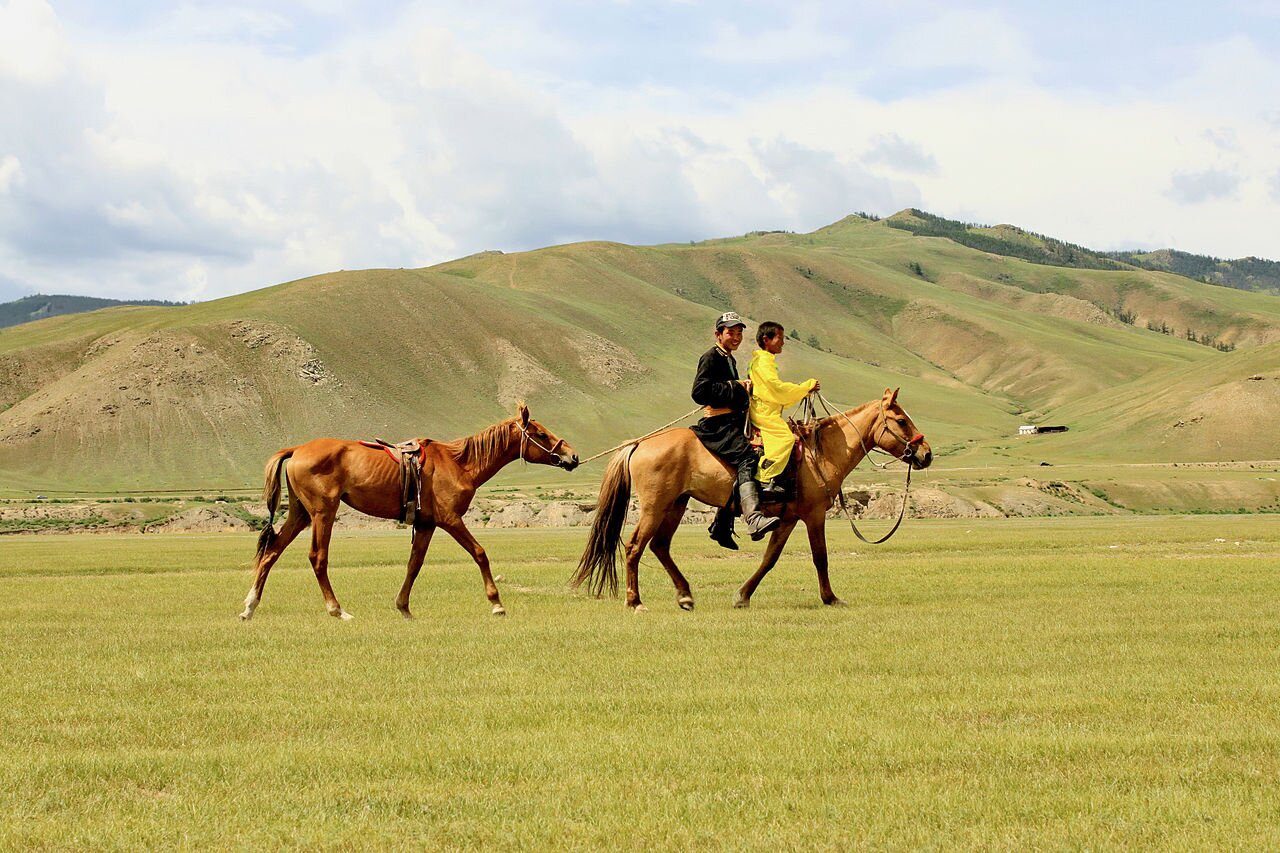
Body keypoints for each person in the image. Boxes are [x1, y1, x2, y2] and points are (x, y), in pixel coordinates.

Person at [690, 312, 781, 548]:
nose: (736, 337)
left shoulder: (730, 359)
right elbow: (699, 393)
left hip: (732, 422)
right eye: (731, 332)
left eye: (739, 333)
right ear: (718, 334)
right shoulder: (711, 357)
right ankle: (753, 518)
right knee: (747, 458)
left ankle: (721, 525)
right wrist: (735, 386)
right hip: (717, 425)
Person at [748, 322, 819, 495]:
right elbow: (776, 389)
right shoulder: (763, 362)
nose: (782, 342)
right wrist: (805, 387)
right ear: (766, 339)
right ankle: (764, 477)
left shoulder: (763, 360)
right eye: (779, 338)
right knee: (786, 439)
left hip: (768, 408)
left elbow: (774, 393)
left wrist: (803, 392)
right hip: (765, 412)